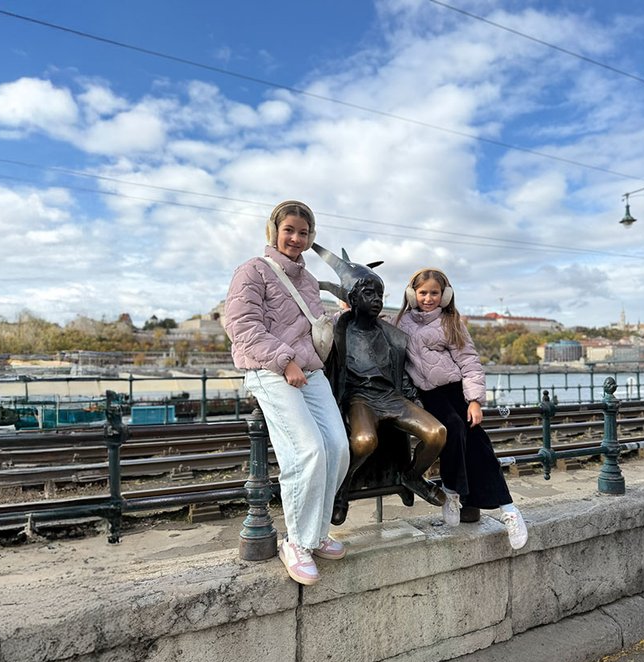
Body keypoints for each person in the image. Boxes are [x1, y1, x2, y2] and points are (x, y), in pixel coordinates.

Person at [224, 200, 350, 585]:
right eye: (289, 230)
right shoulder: (253, 271)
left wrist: (337, 317)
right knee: (306, 450)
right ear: (274, 232)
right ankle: (295, 542)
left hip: (308, 370)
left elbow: (306, 327)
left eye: (304, 233)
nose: (296, 238)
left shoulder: (309, 281)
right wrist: (284, 361)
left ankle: (315, 534)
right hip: (270, 369)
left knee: (338, 447)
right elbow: (241, 325)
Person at [310, 243, 447, 524]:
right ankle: (341, 488)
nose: (377, 300)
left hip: (392, 397)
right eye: (369, 293)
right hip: (360, 399)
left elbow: (403, 372)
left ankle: (411, 477)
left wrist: (414, 400)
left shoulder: (391, 334)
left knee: (437, 433)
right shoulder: (337, 331)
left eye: (380, 294)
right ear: (353, 297)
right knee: (364, 440)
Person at [395, 268, 528, 549]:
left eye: (434, 293)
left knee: (478, 442)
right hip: (427, 395)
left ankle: (508, 510)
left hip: (455, 390)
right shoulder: (400, 322)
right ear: (412, 294)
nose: (428, 298)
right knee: (452, 429)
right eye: (423, 293)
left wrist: (476, 401)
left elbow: (469, 362)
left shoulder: (450, 322)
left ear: (445, 296)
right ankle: (452, 491)